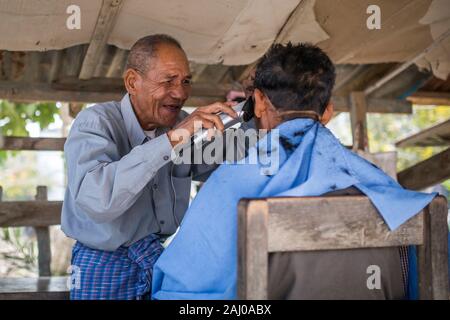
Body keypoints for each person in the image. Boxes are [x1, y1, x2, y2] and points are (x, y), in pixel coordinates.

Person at [151, 42, 436, 299]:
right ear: (328, 112)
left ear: (260, 102)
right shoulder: (383, 187)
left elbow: (180, 290)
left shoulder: (232, 182)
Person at [61, 34, 244, 300]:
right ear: (132, 82)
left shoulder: (180, 124)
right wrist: (173, 139)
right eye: (168, 80)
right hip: (103, 264)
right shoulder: (96, 122)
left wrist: (249, 117)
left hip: (157, 260)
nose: (180, 93)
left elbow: (223, 159)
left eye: (185, 81)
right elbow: (98, 200)